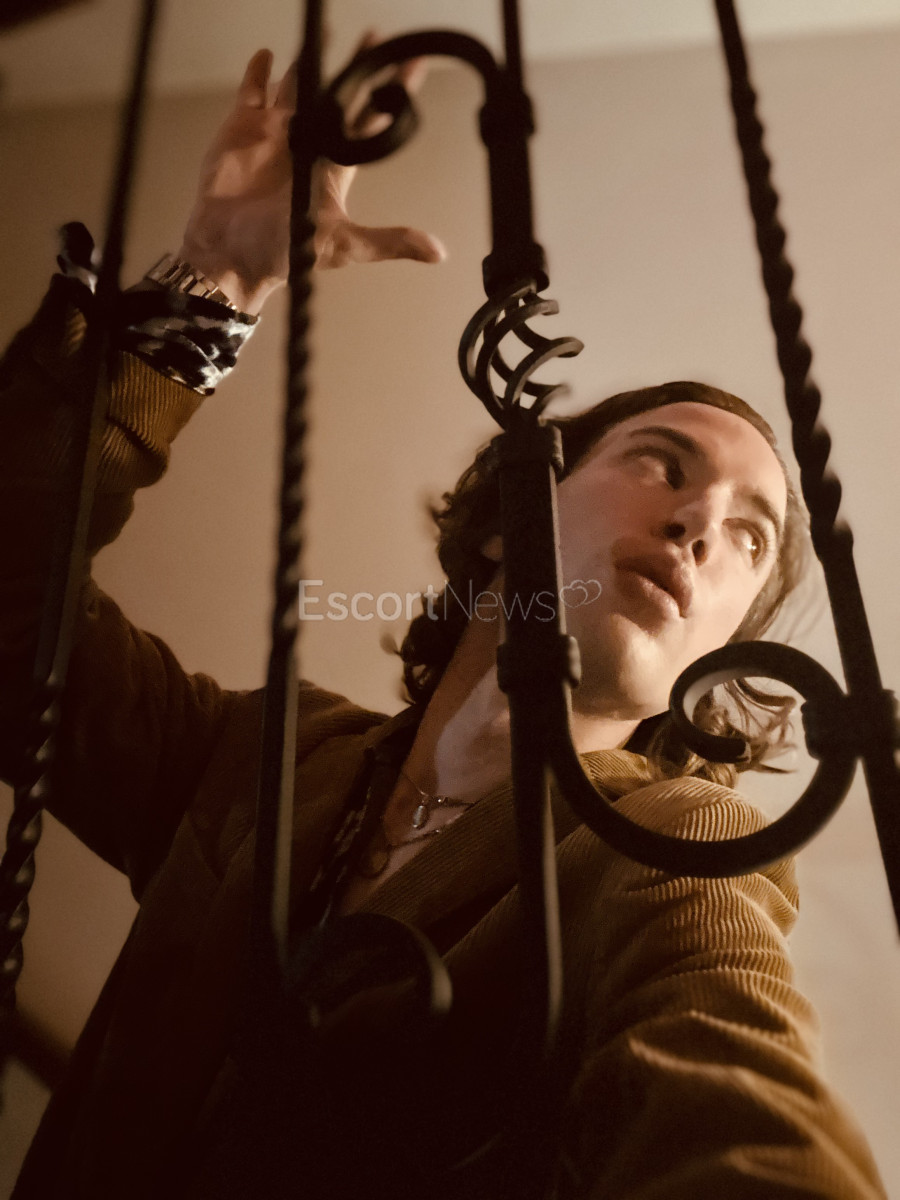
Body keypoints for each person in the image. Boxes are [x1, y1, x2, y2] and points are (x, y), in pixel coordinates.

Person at [0, 44, 888, 1200]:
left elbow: (732, 1092)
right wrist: (212, 279)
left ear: (718, 651)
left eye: (751, 538)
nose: (700, 524)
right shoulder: (257, 758)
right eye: (661, 466)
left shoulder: (673, 846)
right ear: (507, 523)